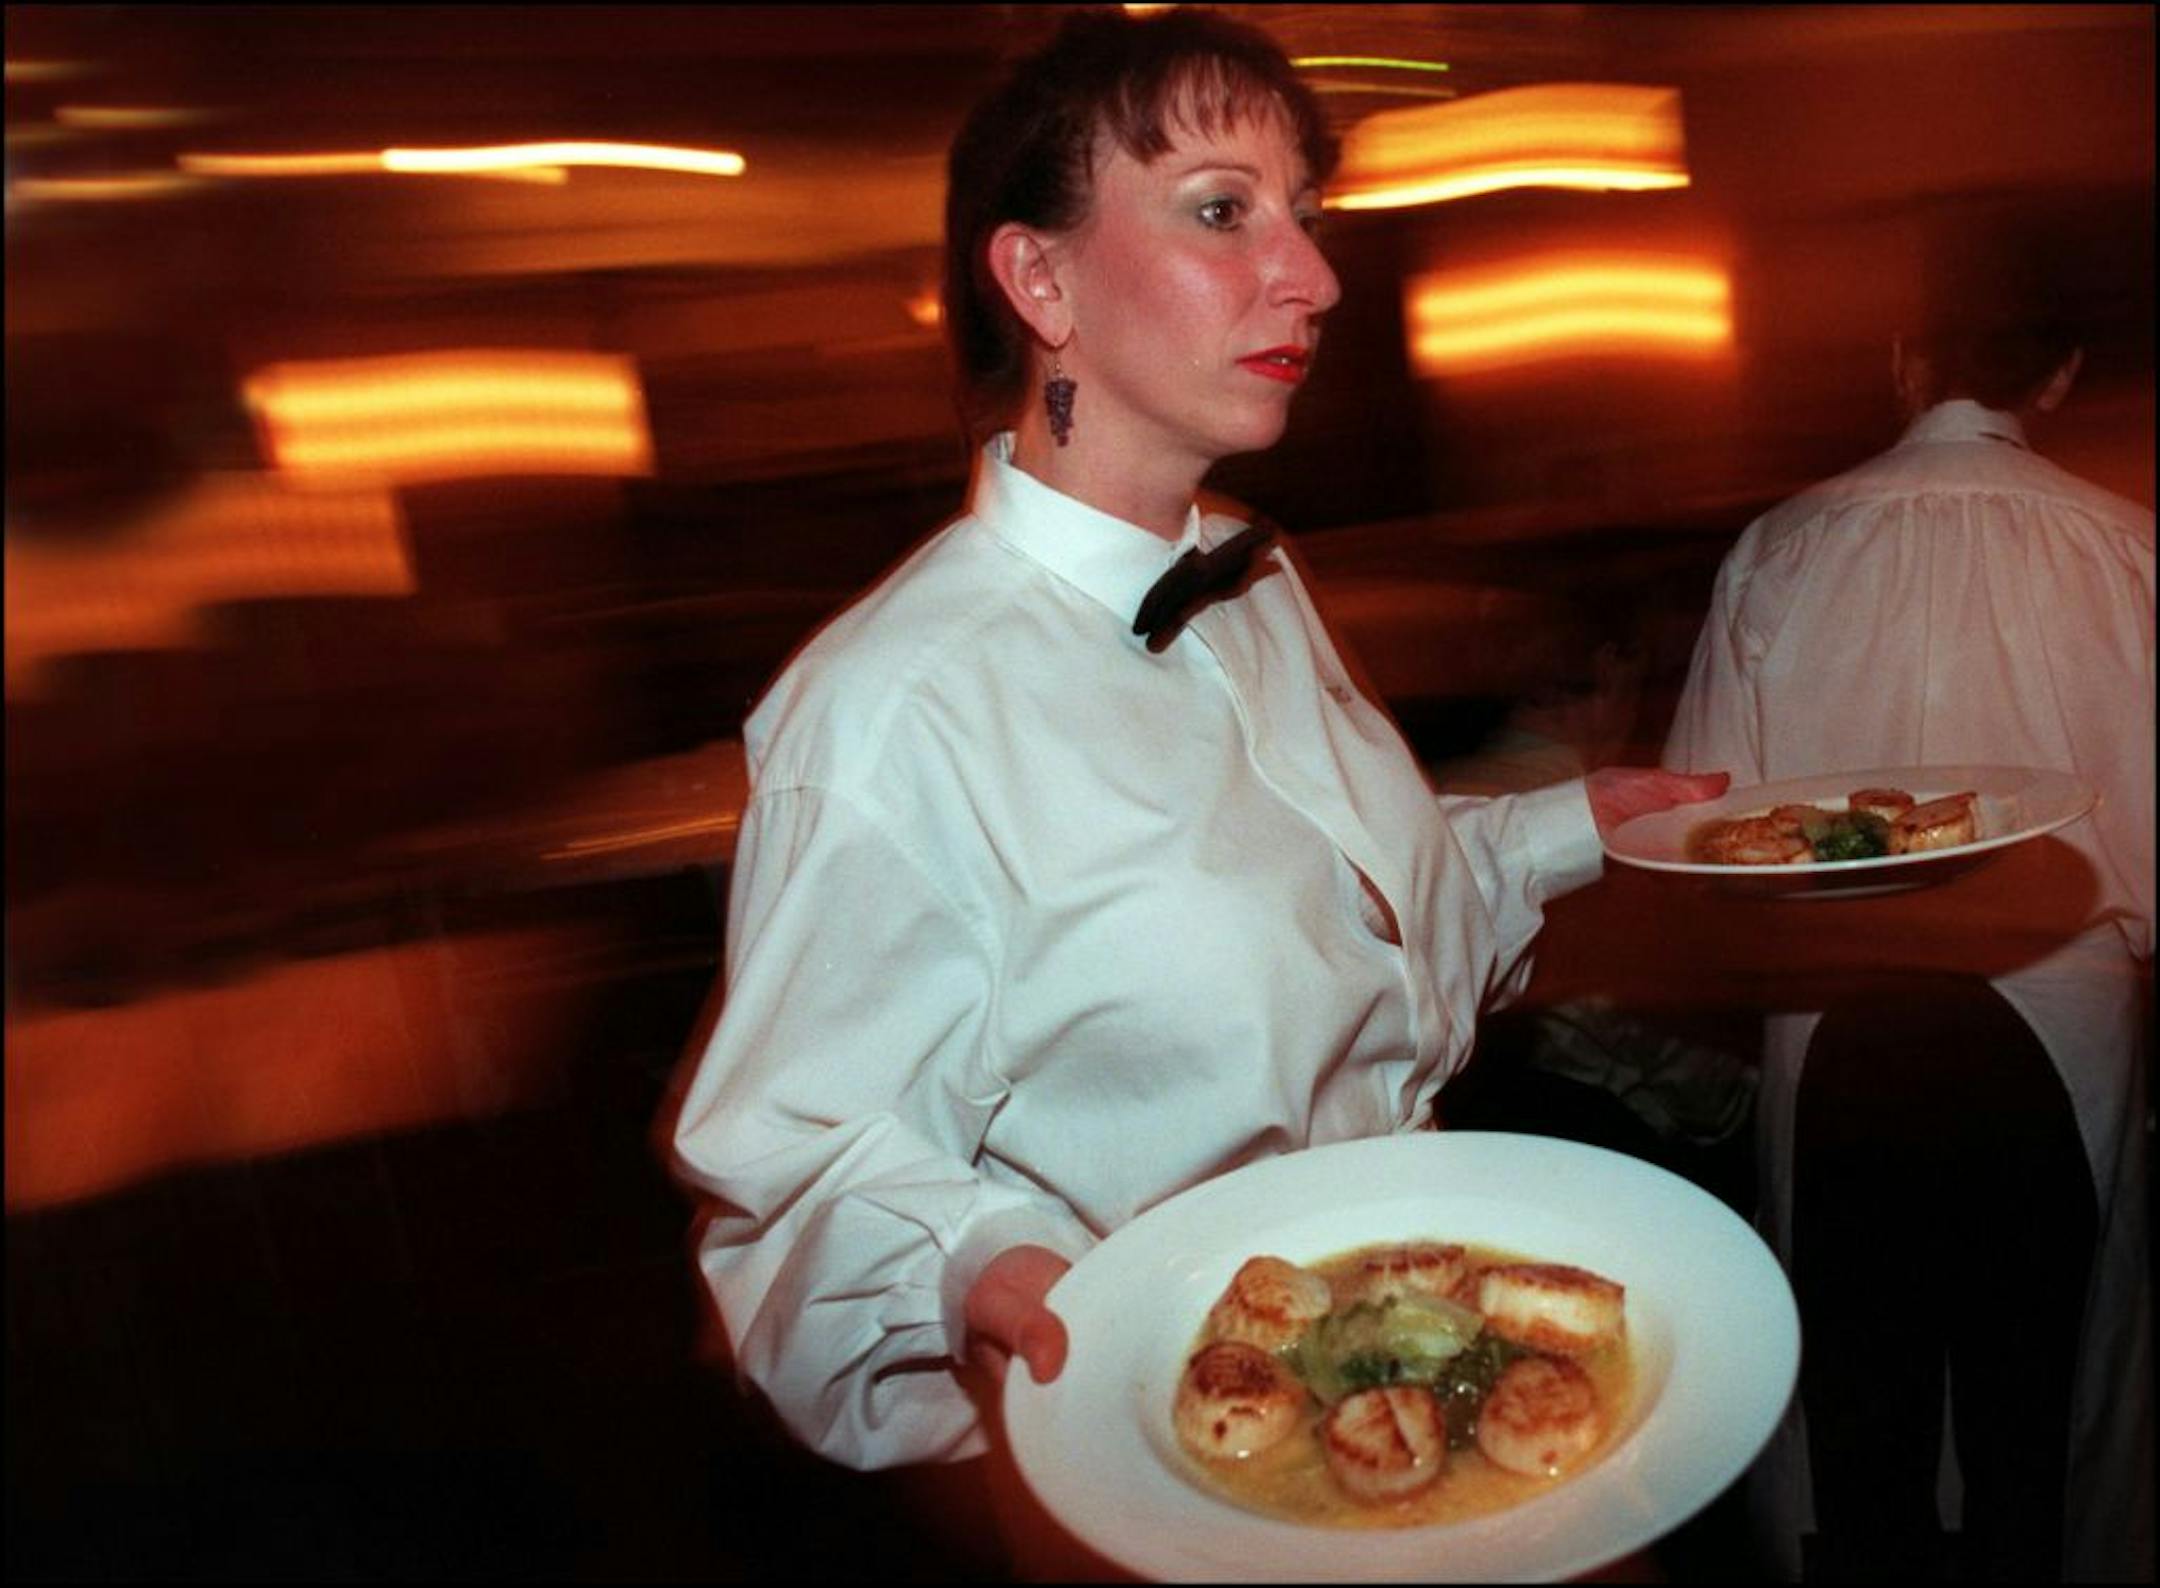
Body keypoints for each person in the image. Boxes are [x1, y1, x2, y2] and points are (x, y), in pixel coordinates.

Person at [669, 5, 1723, 1483]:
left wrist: (1569, 824)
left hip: (1427, 1363)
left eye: (1304, 214)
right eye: (1224, 212)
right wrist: (974, 1259)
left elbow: (1344, 926)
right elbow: (792, 1167)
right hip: (1181, 1449)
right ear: (1040, 278)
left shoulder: (1255, 576)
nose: (1313, 275)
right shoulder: (892, 713)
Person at [1664, 213, 2153, 1583]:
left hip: (1834, 1024)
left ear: (1899, 361)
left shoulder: (1779, 547)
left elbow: (1719, 846)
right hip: (2066, 1024)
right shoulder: (2133, 553)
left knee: (1854, 1404)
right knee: (2040, 1407)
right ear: (2055, 382)